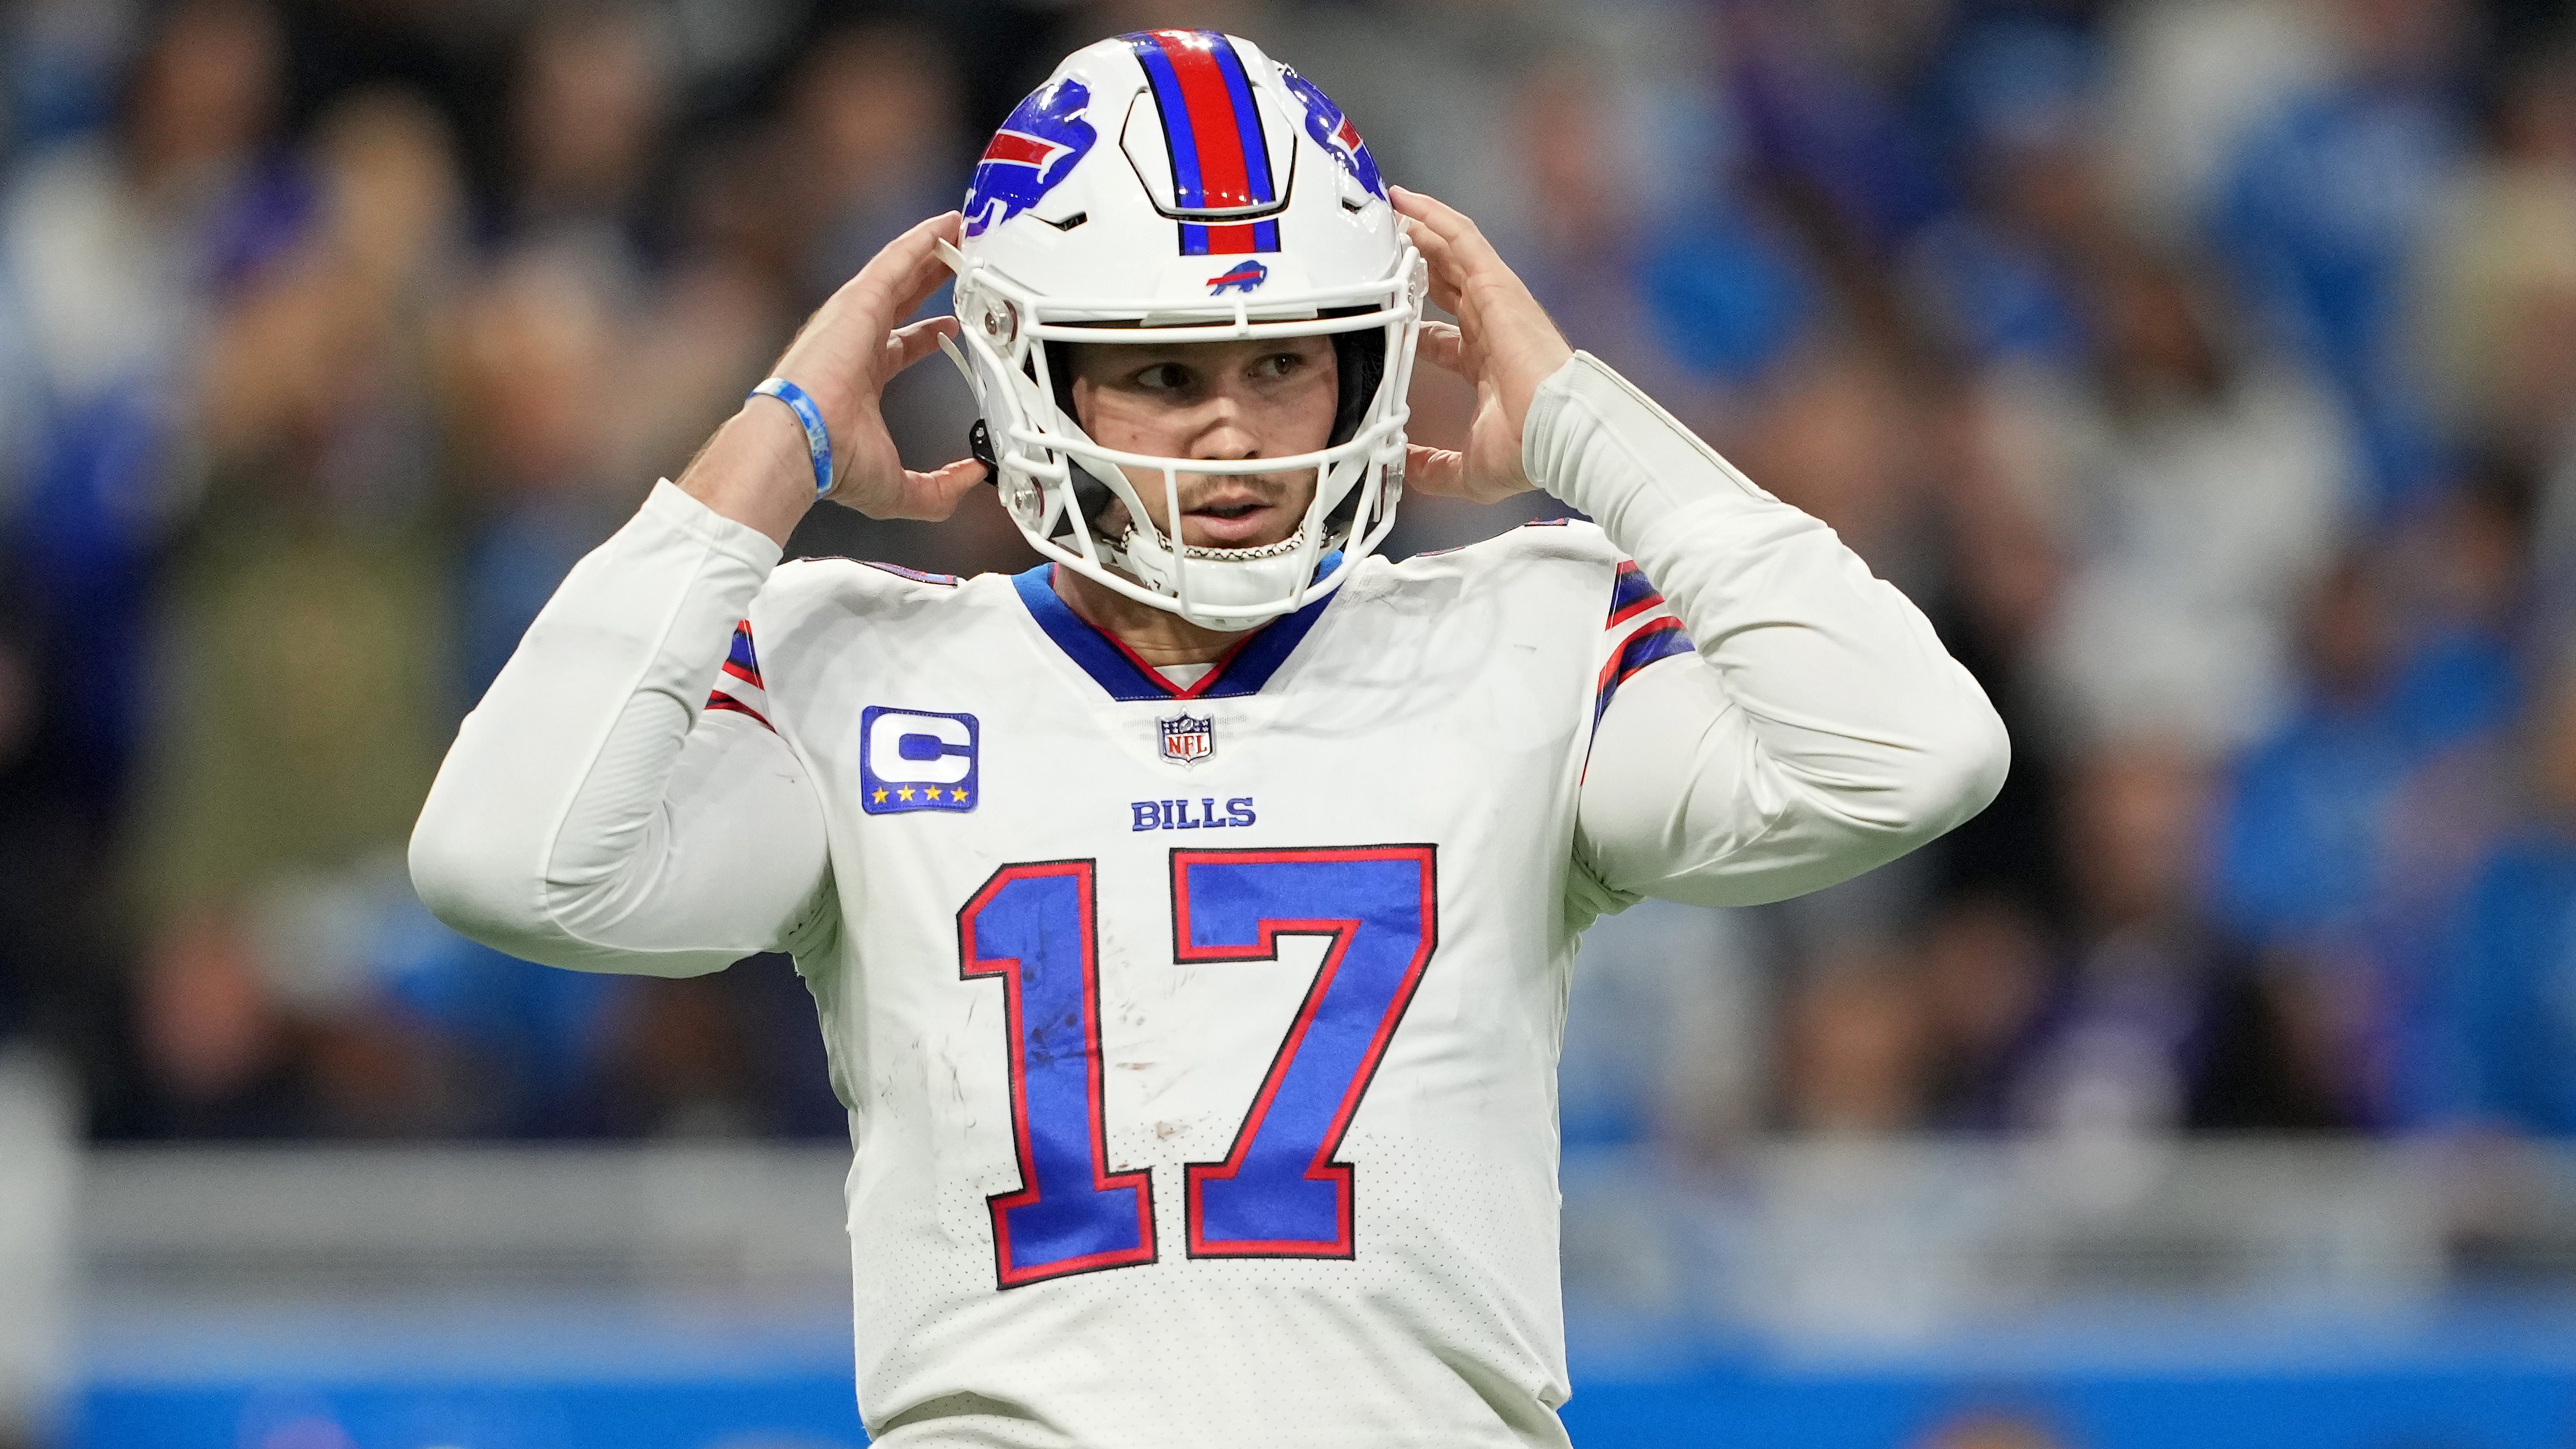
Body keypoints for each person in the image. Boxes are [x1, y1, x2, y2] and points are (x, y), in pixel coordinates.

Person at [410, 30, 2008, 1447]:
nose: (1233, 431)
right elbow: (510, 858)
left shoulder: (1519, 632)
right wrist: (783, 430)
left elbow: (1909, 752)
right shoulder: (861, 659)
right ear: (1032, 376)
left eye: (1281, 361)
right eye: (1164, 373)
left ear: (1368, 362)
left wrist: (1588, 420)